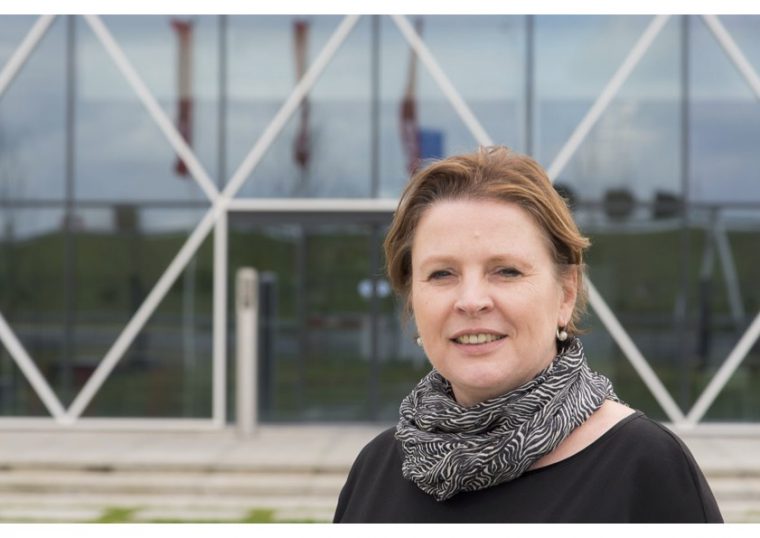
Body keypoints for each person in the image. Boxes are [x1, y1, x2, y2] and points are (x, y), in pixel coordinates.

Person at [333, 146, 723, 523]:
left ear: (566, 293)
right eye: (442, 274)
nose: (471, 301)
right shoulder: (376, 470)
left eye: (507, 271)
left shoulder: (646, 468)